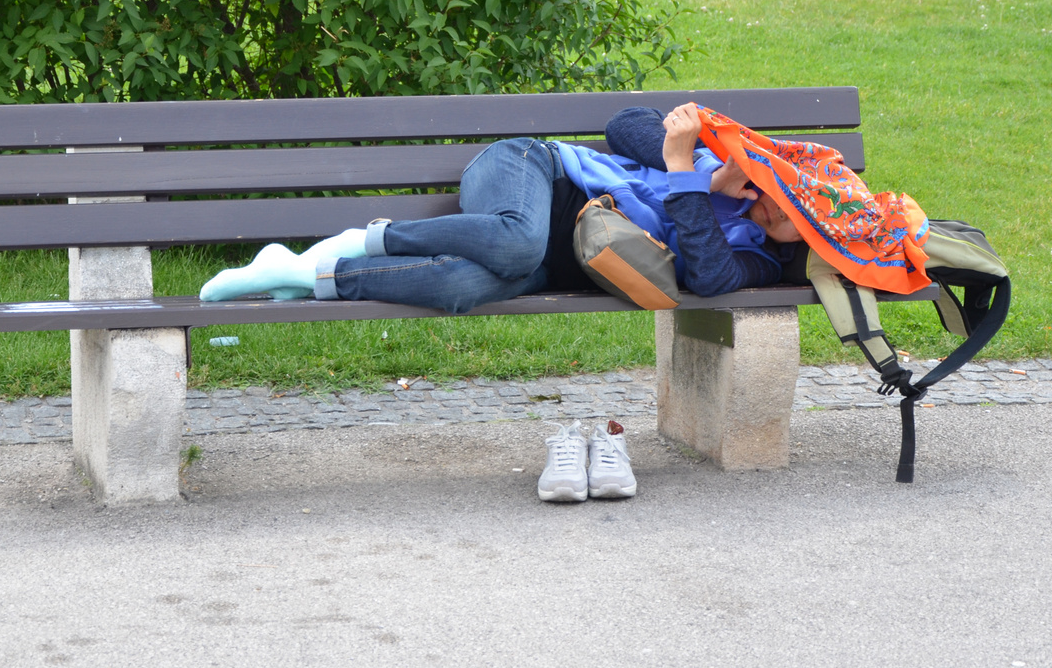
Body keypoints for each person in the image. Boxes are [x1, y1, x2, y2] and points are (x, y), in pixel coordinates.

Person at [199, 104, 806, 503]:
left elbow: (708, 276)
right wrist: (697, 158)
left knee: (467, 287)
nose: (781, 212)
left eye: (797, 224)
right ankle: (366, 237)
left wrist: (688, 181)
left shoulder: (755, 253)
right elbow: (626, 124)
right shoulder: (712, 158)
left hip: (558, 261)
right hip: (529, 172)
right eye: (784, 195)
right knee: (518, 241)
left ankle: (309, 273)